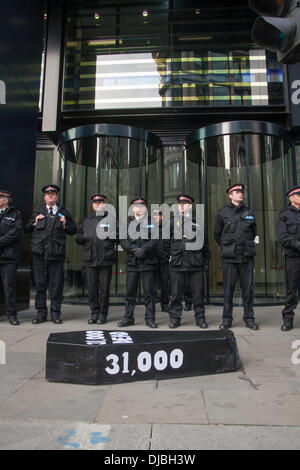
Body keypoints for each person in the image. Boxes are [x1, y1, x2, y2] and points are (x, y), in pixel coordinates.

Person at [25, 184, 77, 324]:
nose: (50, 195)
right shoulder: (38, 211)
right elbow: (27, 228)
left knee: (56, 286)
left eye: (53, 193)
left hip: (56, 255)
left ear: (56, 196)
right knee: (40, 284)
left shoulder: (63, 212)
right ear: (44, 196)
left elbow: (73, 230)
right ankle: (41, 313)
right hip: (39, 254)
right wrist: (35, 222)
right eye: (48, 193)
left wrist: (65, 223)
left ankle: (55, 313)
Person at [214, 183, 259, 330]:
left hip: (246, 257)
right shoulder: (223, 212)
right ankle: (227, 319)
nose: (240, 194)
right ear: (230, 195)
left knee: (248, 290)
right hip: (230, 258)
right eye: (237, 192)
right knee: (228, 290)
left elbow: (253, 232)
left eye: (241, 192)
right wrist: (227, 247)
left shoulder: (248, 212)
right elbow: (217, 234)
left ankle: (249, 318)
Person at [168, 193, 209, 329]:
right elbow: (165, 244)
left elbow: (205, 244)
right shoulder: (172, 222)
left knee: (197, 294)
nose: (182, 206)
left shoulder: (199, 222)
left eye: (185, 203)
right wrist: (168, 258)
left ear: (190, 206)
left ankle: (200, 318)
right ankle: (175, 318)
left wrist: (206, 262)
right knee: (176, 294)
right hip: (177, 262)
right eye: (180, 204)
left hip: (195, 263)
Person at [75, 194, 117, 324]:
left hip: (105, 259)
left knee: (104, 290)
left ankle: (103, 314)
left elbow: (118, 236)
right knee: (92, 289)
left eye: (100, 202)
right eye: (95, 203)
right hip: (90, 259)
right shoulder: (86, 220)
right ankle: (94, 313)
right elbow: (78, 238)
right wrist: (81, 238)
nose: (98, 204)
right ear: (92, 205)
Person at [118, 197, 159, 328]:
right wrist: (135, 250)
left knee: (149, 293)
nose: (139, 208)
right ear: (133, 208)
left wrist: (144, 249)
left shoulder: (152, 222)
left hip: (148, 262)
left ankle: (150, 319)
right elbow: (123, 241)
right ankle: (128, 318)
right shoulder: (126, 223)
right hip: (132, 262)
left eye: (141, 205)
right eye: (136, 206)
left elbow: (155, 239)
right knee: (130, 293)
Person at [275, 186, 300, 331]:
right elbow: (283, 237)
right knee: (292, 289)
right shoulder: (284, 215)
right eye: (299, 195)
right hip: (294, 257)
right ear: (292, 198)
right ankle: (288, 318)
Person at [0, 190, 22, 325]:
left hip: (9, 257)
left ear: (6, 200)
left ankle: (12, 315)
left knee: (9, 288)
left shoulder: (15, 215)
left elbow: (15, 233)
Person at [152, 209, 170, 312]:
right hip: (152, 260)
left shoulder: (167, 228)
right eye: (154, 215)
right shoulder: (149, 228)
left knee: (165, 284)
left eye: (157, 215)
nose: (155, 217)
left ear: (161, 216)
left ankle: (165, 304)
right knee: (152, 284)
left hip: (164, 260)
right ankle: (152, 304)